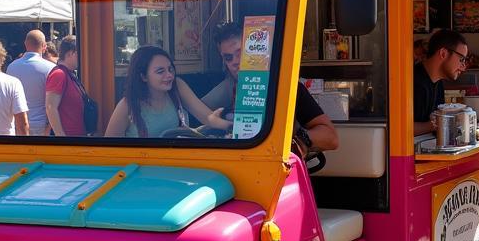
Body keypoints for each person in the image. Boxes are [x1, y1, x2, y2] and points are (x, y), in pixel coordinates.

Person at [202, 21, 339, 153]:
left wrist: (298, 141)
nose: (235, 62)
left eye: (240, 53)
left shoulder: (284, 88)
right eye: (228, 58)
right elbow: (197, 115)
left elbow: (331, 137)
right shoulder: (228, 88)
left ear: (255, 50)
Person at [105, 45, 232, 138]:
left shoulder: (177, 86)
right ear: (143, 76)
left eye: (170, 69)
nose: (169, 75)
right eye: (160, 71)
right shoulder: (127, 106)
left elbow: (208, 117)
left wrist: (232, 128)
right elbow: (109, 149)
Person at [414, 29, 469, 134]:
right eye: (461, 59)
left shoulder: (438, 82)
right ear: (443, 53)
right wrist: (433, 125)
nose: (463, 67)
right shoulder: (414, 83)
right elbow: (399, 128)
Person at [6, 29, 54, 135]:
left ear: (25, 44)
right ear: (44, 46)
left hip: (17, 124)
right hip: (41, 124)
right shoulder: (51, 69)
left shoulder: (11, 67)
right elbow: (52, 103)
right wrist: (49, 127)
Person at [45, 35, 91, 137]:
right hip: (68, 139)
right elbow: (50, 107)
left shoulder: (69, 74)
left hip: (76, 137)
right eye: (79, 54)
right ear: (71, 53)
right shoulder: (59, 74)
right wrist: (61, 136)